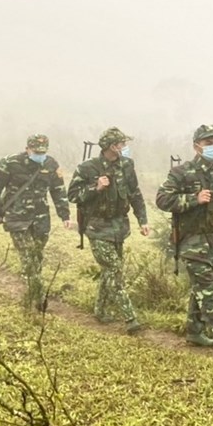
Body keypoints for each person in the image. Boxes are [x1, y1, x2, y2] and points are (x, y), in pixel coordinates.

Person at [155, 124, 213, 354]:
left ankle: (194, 331)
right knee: (208, 288)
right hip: (191, 241)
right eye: (208, 143)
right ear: (197, 147)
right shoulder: (182, 173)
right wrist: (194, 199)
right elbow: (163, 199)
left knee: (201, 288)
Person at [67, 127, 149, 334]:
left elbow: (135, 194)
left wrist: (143, 220)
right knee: (114, 268)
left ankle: (100, 310)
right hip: (97, 227)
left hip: (119, 227)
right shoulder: (87, 168)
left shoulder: (127, 165)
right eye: (122, 144)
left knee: (109, 270)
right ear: (112, 146)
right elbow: (73, 195)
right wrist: (95, 187)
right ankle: (130, 318)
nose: (125, 147)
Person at [0, 134, 71, 311]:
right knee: (28, 256)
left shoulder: (50, 164)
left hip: (41, 218)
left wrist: (65, 215)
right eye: (36, 151)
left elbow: (58, 191)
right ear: (27, 149)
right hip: (17, 217)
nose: (39, 154)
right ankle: (38, 298)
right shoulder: (10, 163)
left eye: (43, 152)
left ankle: (32, 283)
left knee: (37, 255)